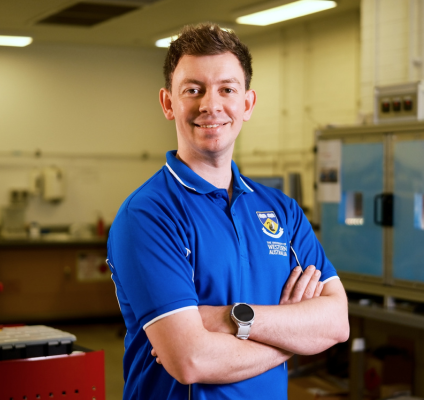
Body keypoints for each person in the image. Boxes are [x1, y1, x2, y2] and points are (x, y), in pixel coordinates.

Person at [107, 23, 349, 400]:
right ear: (168, 103)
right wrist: (295, 339)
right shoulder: (147, 215)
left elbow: (336, 323)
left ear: (247, 104)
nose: (210, 105)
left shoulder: (281, 211)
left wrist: (227, 317)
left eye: (227, 89)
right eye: (193, 90)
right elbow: (190, 360)